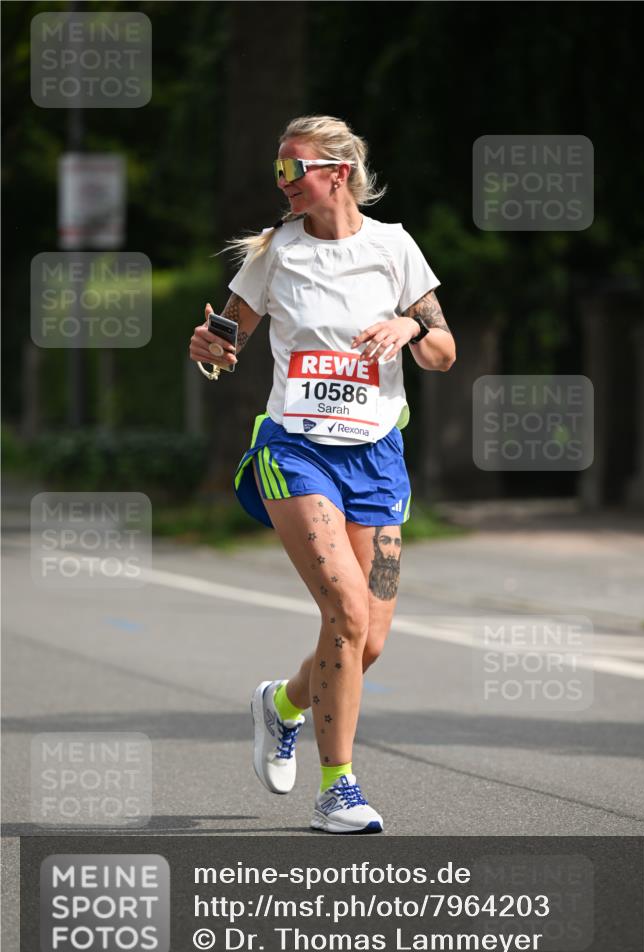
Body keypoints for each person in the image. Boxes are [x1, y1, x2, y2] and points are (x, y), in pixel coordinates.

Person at [189, 115, 456, 834]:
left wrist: (411, 328)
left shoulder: (393, 247)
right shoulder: (276, 256)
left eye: (292, 168)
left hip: (377, 458)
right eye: (277, 171)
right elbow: (224, 346)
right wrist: (208, 347)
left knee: (367, 637)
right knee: (343, 607)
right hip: (294, 451)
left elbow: (443, 351)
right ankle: (337, 787)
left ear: (337, 172)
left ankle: (279, 705)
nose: (282, 183)